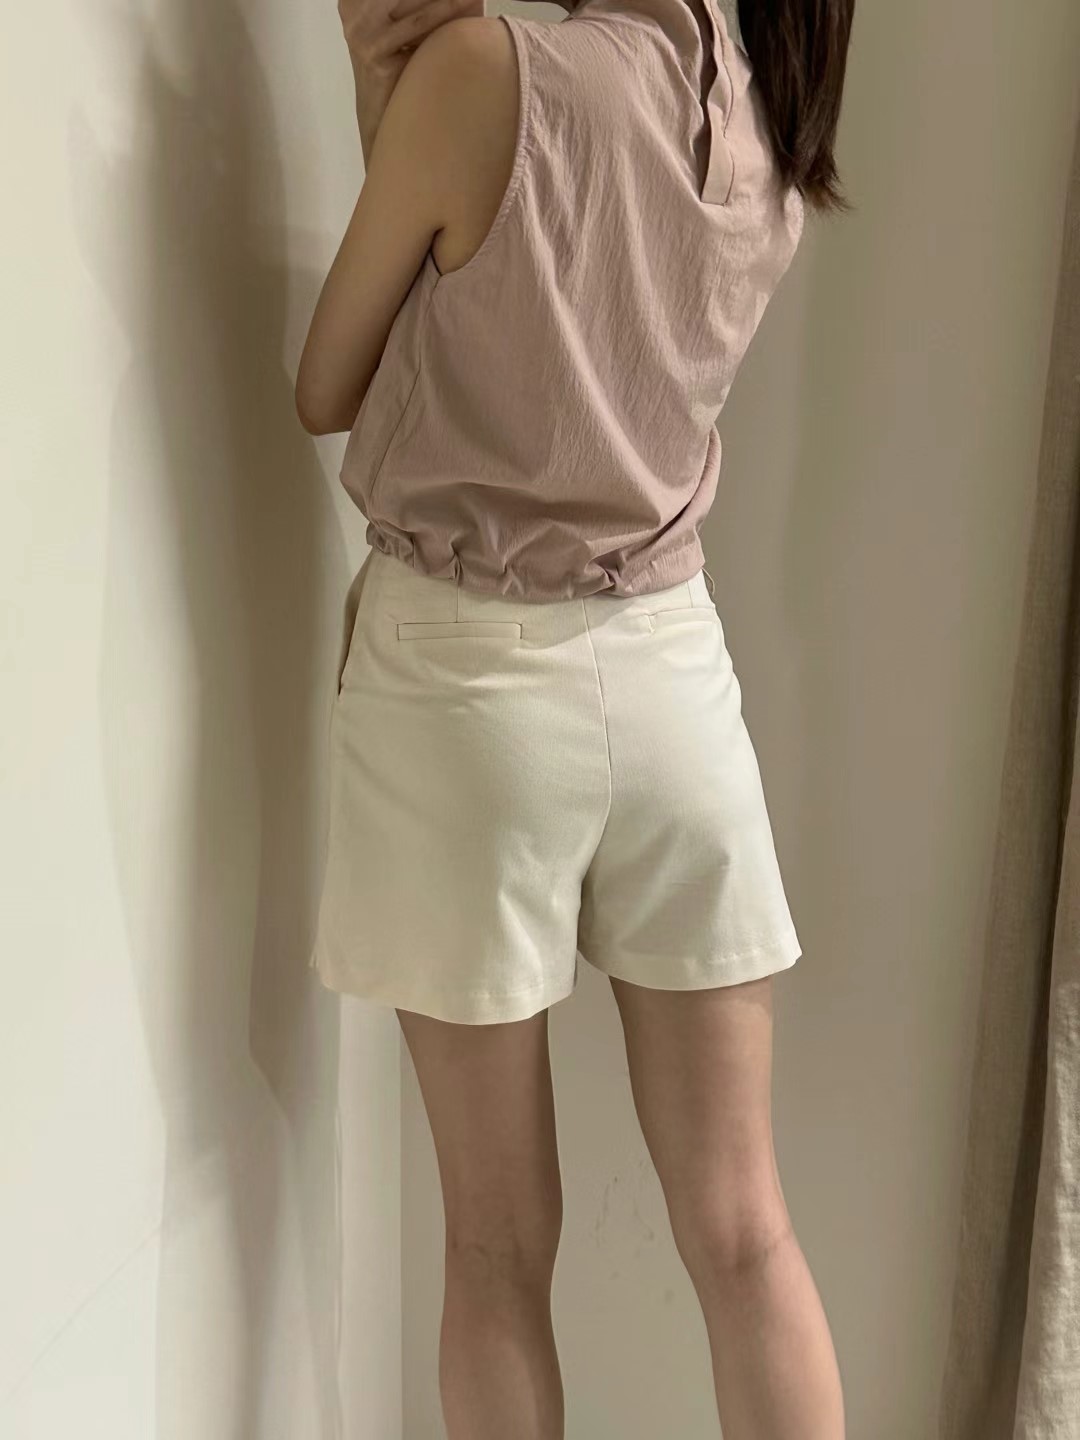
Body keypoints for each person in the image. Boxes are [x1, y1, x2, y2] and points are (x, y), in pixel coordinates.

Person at [297, 0, 853, 1433]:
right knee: (747, 1234)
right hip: (675, 679)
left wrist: (388, 107)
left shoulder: (485, 69)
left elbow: (326, 386)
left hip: (466, 688)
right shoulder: (768, 111)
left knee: (495, 1249)